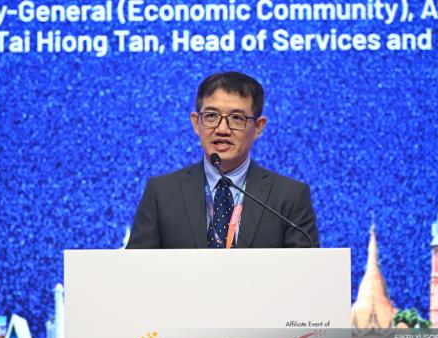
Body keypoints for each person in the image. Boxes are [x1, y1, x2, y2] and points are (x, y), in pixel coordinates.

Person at [127, 71, 319, 249]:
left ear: (258, 127)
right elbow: (136, 268)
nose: (222, 129)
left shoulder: (290, 197)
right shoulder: (161, 193)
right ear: (196, 123)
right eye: (211, 116)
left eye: (237, 118)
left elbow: (305, 271)